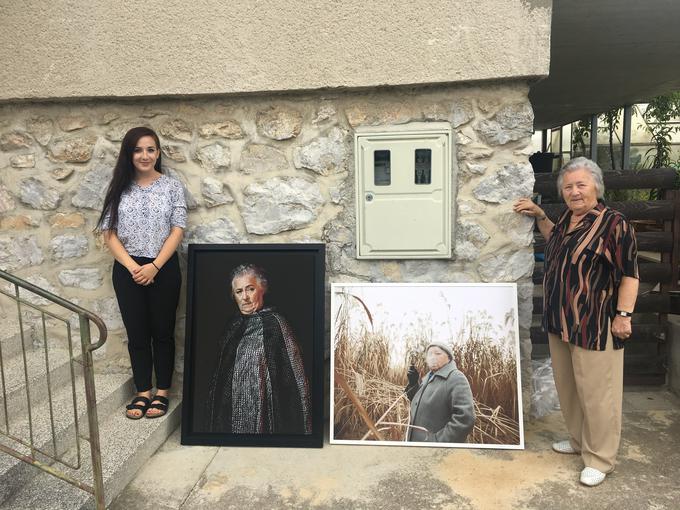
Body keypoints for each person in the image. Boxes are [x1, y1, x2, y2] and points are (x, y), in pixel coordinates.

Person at [514, 156, 639, 487]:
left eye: (581, 185)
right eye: (568, 187)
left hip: (595, 324)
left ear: (596, 186)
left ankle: (600, 457)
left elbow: (630, 274)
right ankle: (579, 441)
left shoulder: (614, 224)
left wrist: (623, 316)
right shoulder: (568, 220)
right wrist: (541, 215)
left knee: (599, 393)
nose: (574, 192)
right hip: (561, 322)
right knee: (569, 388)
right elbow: (555, 238)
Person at [96, 126, 186, 420]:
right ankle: (143, 390)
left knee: (162, 332)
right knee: (137, 334)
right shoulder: (119, 187)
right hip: (128, 270)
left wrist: (155, 266)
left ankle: (162, 392)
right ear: (129, 154)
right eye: (138, 149)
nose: (144, 155)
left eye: (150, 149)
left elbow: (177, 229)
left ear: (158, 153)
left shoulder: (171, 187)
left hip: (163, 267)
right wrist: (135, 267)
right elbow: (109, 234)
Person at [204, 264, 311, 434]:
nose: (245, 297)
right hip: (229, 412)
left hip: (266, 414)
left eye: (250, 289)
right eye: (239, 292)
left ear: (262, 290)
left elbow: (294, 379)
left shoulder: (276, 324)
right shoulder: (233, 325)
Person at [404, 342, 475, 443]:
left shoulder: (456, 378)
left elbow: (465, 419)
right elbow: (419, 403)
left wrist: (437, 442)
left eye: (438, 353)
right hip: (418, 447)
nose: (433, 357)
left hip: (436, 452)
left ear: (449, 358)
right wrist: (413, 384)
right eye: (430, 354)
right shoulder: (428, 377)